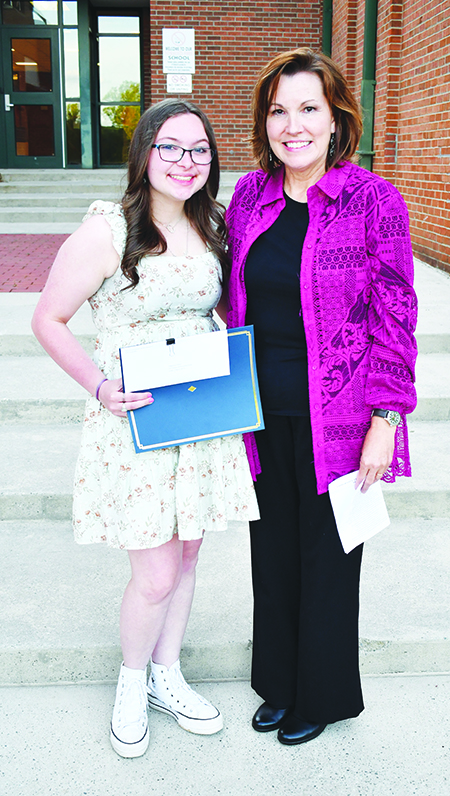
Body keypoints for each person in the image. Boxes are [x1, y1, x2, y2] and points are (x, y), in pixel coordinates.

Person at [32, 98, 259, 758]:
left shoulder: (214, 224)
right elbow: (48, 318)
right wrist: (100, 387)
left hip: (203, 411)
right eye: (171, 147)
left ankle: (168, 674)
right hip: (135, 416)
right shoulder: (108, 230)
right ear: (145, 153)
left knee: (188, 552)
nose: (186, 162)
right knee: (155, 571)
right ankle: (133, 682)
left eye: (199, 150)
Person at [226, 48, 417, 745]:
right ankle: (278, 683)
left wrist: (386, 418)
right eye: (279, 109)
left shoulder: (374, 200)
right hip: (259, 411)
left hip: (340, 416)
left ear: (337, 118)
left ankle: (321, 694)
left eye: (308, 108)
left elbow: (396, 313)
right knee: (271, 553)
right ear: (264, 121)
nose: (292, 125)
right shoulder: (249, 196)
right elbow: (222, 293)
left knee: (330, 559)